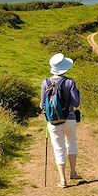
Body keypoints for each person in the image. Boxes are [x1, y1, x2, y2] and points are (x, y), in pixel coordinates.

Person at [40, 53, 82, 187]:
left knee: (58, 148)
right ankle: (73, 173)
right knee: (71, 143)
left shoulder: (45, 83)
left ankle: (63, 180)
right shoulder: (70, 82)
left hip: (52, 121)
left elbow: (42, 105)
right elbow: (76, 103)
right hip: (69, 118)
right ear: (64, 68)